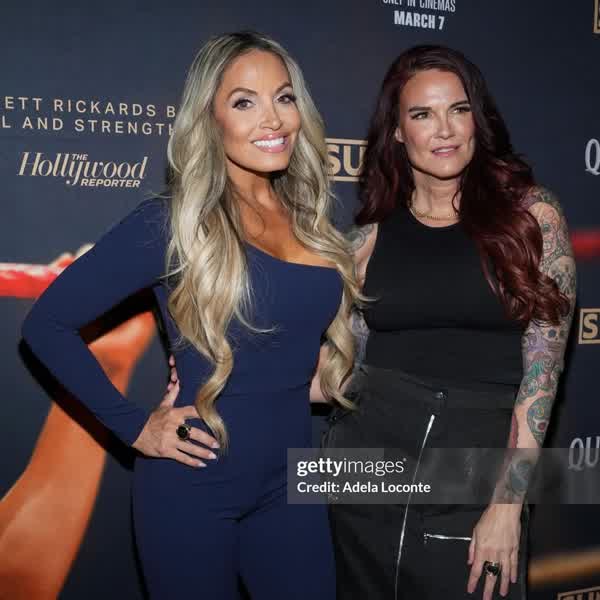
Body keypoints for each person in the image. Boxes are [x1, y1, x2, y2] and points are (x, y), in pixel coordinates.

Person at [20, 31, 361, 599]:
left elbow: (293, 359)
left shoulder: (309, 218)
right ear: (209, 118)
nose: (273, 118)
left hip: (290, 485)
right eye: (244, 102)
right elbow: (46, 325)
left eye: (284, 97)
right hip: (194, 486)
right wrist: (134, 427)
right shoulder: (173, 223)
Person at [322, 45, 576, 600]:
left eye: (458, 110)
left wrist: (507, 507)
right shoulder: (365, 241)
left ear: (477, 119)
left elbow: (542, 375)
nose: (444, 130)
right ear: (396, 131)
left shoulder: (533, 218)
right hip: (365, 463)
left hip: (475, 466)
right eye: (422, 114)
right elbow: (335, 376)